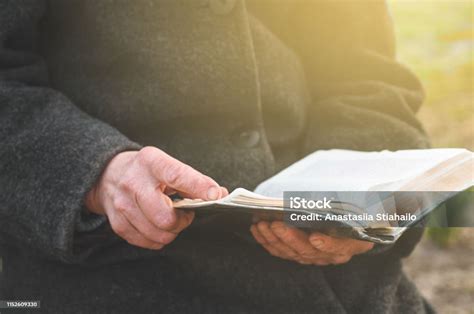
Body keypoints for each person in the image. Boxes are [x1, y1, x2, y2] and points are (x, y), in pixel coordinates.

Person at [0, 0, 434, 313]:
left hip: (351, 287)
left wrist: (367, 211)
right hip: (113, 279)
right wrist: (97, 174)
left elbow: (368, 75)